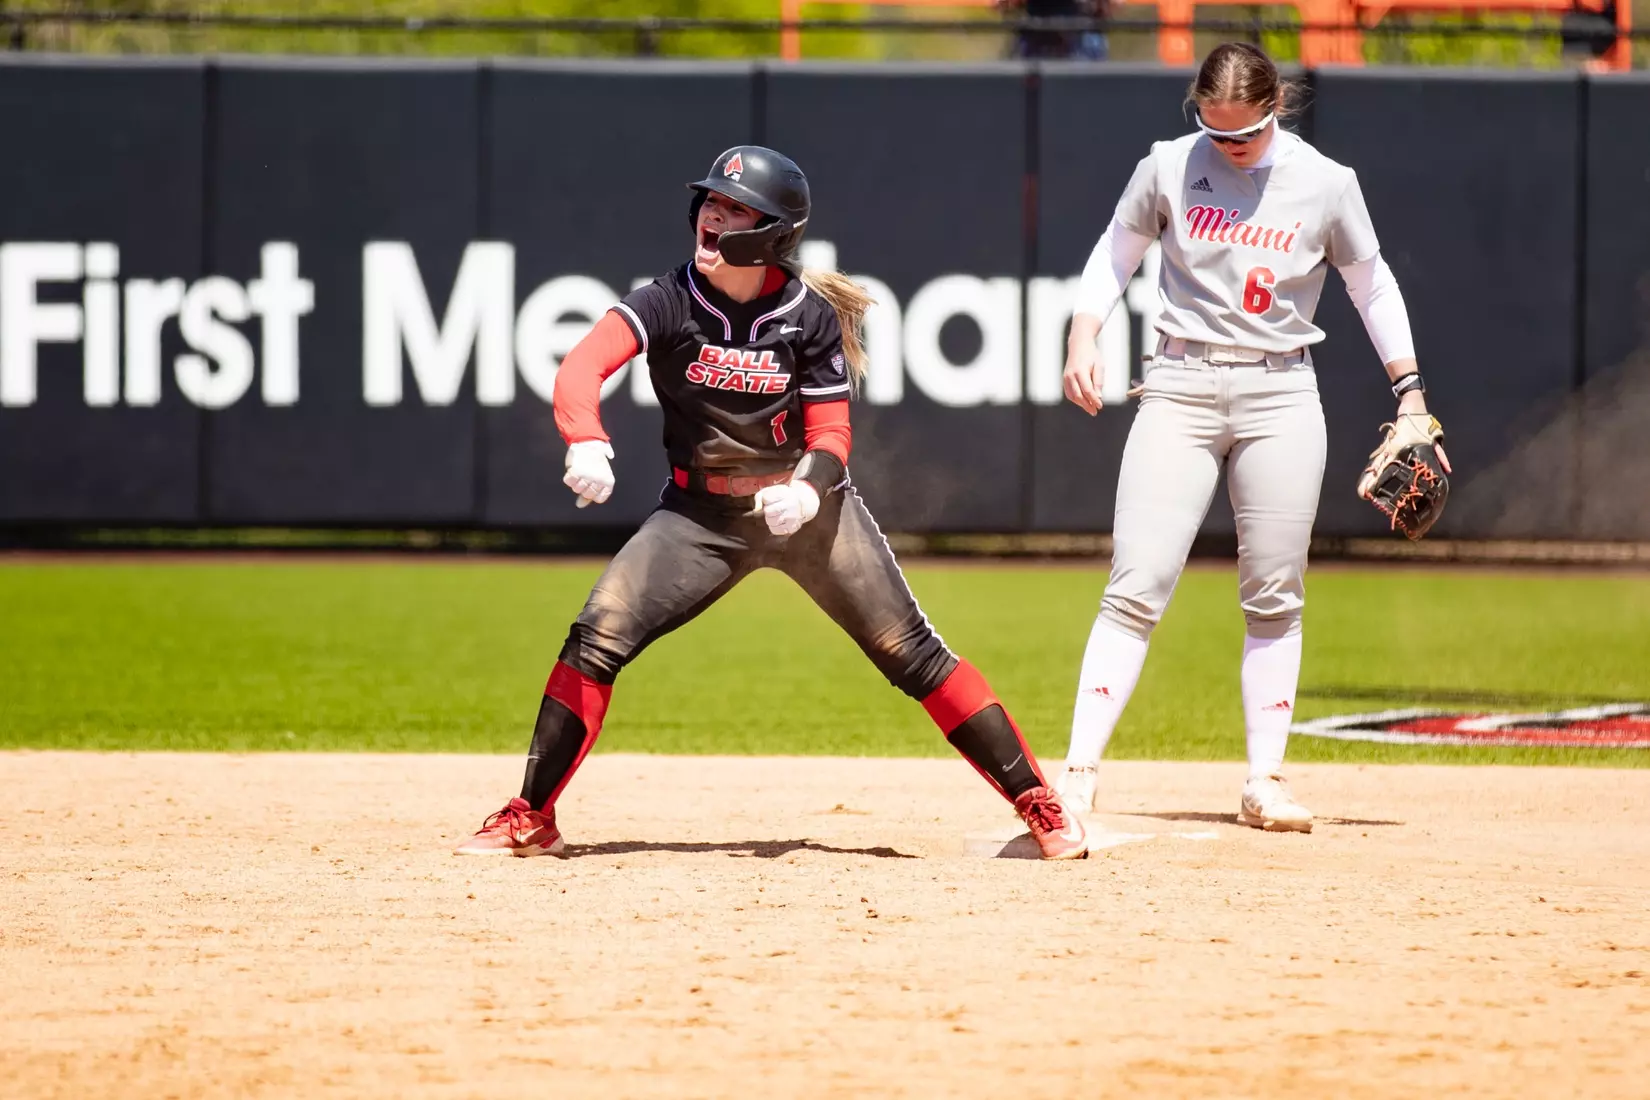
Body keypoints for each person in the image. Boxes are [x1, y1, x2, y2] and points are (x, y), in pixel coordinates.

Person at [454, 146, 1089, 861]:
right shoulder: (665, 298)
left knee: (913, 654)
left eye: (734, 209)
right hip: (700, 517)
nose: (712, 217)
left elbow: (832, 433)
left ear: (774, 233)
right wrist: (585, 438)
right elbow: (582, 366)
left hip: (809, 512)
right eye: (710, 203)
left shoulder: (807, 316)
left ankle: (1039, 803)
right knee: (595, 636)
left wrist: (806, 490)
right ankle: (532, 814)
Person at [1054, 43, 1451, 832]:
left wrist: (1410, 392)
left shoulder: (1326, 182)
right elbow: (1114, 255)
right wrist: (1082, 335)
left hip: (1281, 390)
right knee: (1136, 583)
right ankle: (1076, 775)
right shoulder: (1168, 164)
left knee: (1275, 592)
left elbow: (1371, 285)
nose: (1229, 145)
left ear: (1277, 110)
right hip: (1179, 383)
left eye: (1246, 133)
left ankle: (1264, 780)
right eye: (1216, 129)